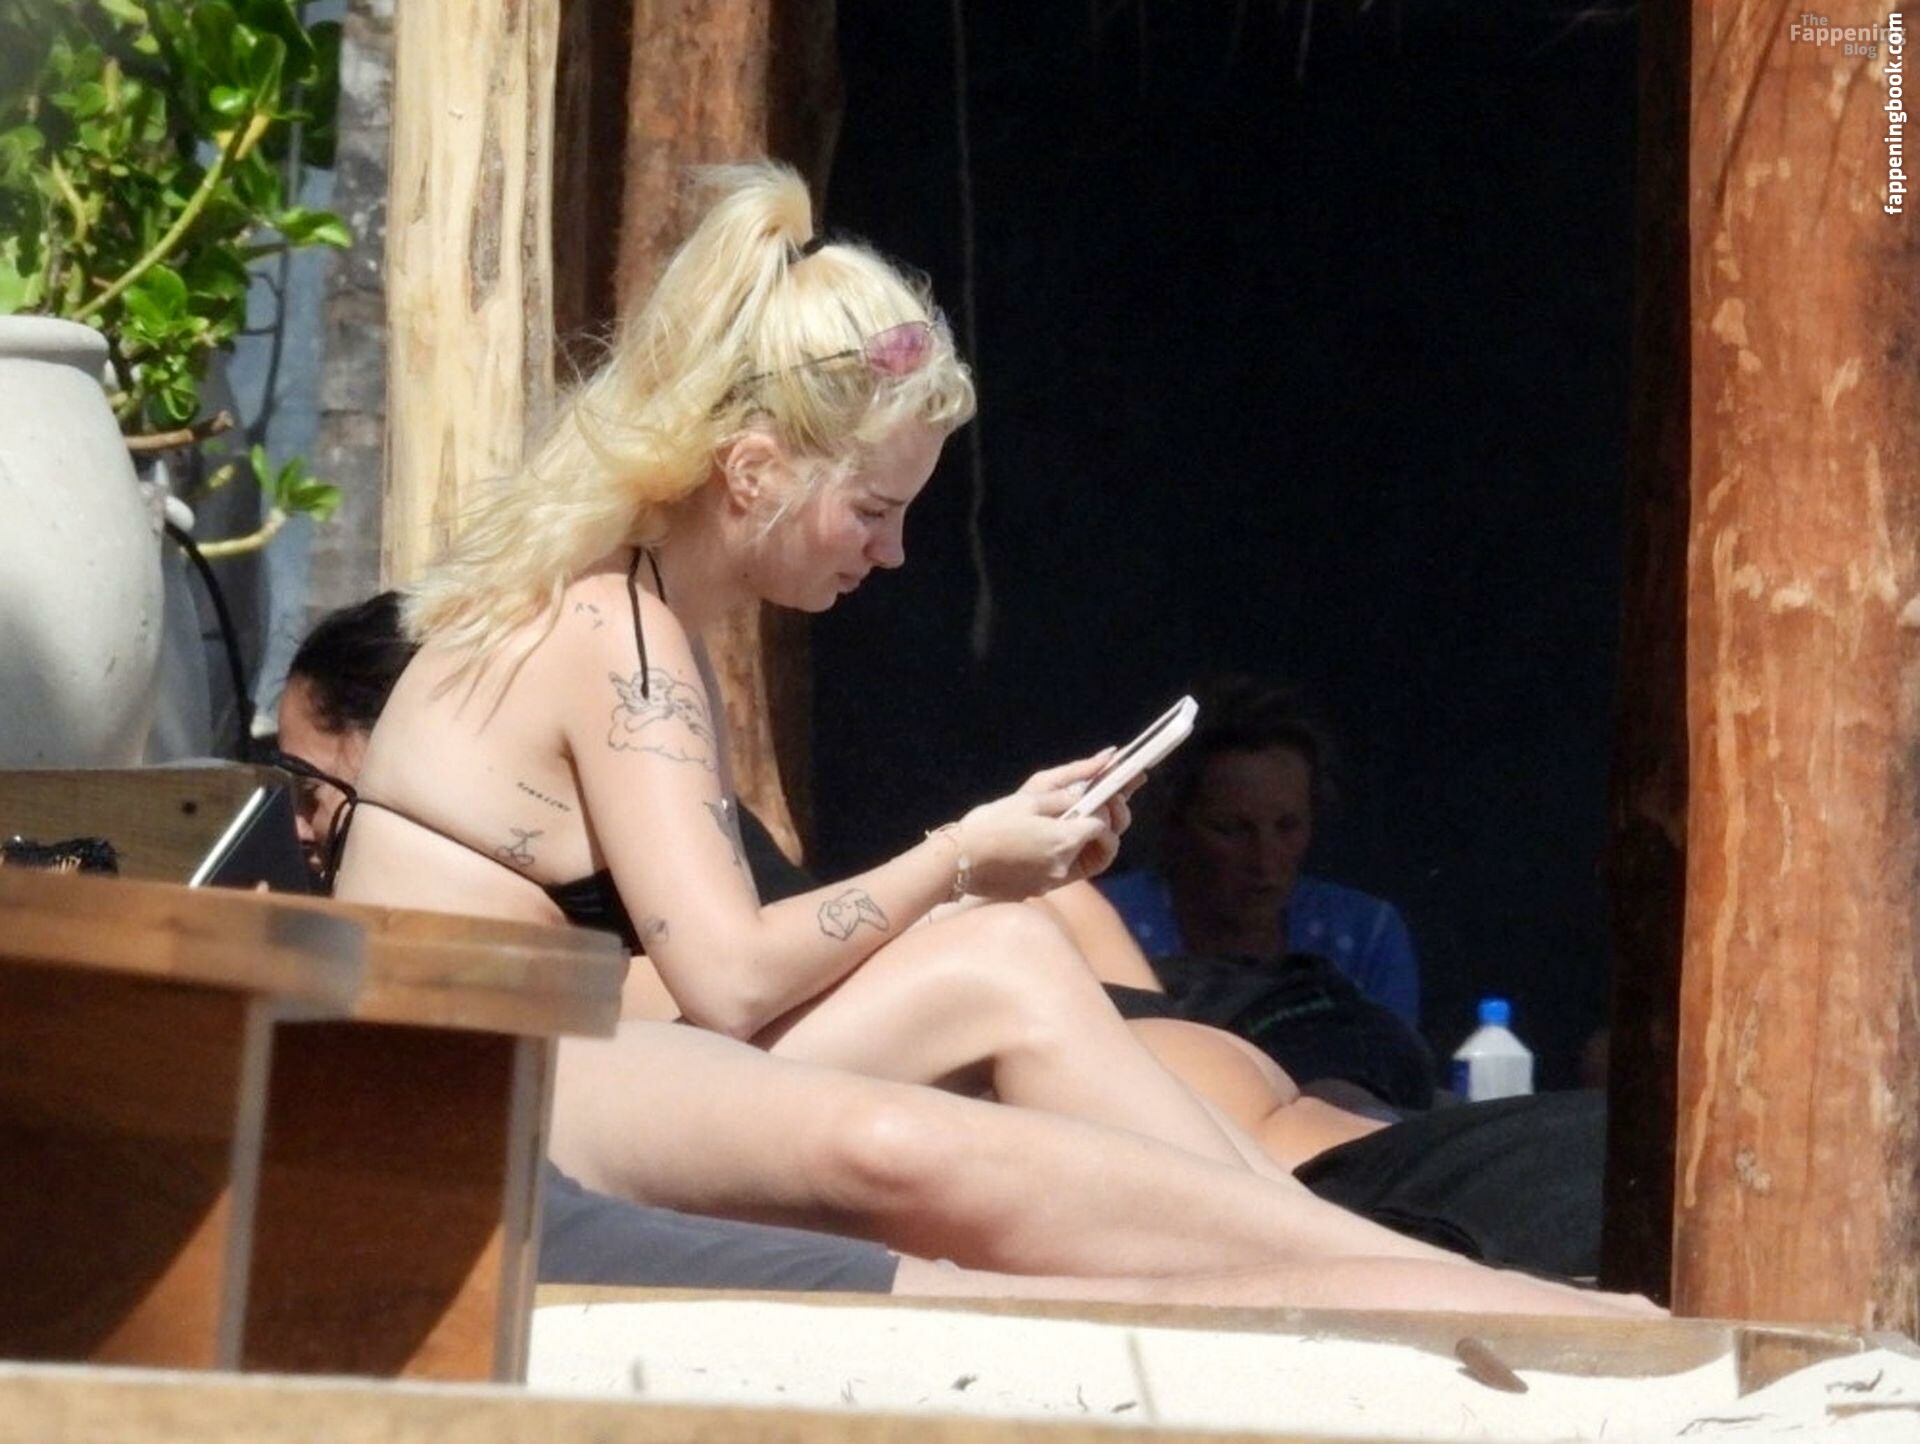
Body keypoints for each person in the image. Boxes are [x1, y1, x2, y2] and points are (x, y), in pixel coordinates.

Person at [325, 161, 1644, 1316]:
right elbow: (724, 983)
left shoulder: (614, 609)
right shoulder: (615, 632)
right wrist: (959, 858)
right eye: (872, 509)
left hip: (520, 1054)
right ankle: (1394, 1279)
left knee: (999, 954)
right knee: (988, 980)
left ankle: (1366, 1266)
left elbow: (661, 983)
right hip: (465, 1088)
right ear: (752, 471)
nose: (894, 552)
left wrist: (978, 878)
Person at [1098, 677, 1422, 1025]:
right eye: (1230, 829)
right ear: (1174, 821)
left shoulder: (1365, 935)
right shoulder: (1104, 921)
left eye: (1288, 827)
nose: (1264, 861)